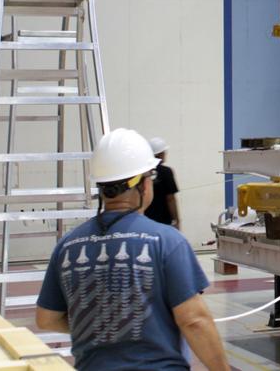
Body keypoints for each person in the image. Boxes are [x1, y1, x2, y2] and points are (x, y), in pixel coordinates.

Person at [36, 128, 229, 371]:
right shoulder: (167, 241)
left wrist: (105, 324)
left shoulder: (68, 245)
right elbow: (194, 321)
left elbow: (46, 319)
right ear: (143, 184)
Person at [144, 136, 181, 230]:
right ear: (160, 154)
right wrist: (177, 220)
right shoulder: (166, 172)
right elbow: (171, 199)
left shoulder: (142, 173)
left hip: (145, 221)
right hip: (164, 222)